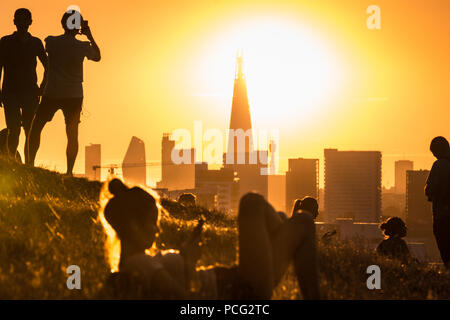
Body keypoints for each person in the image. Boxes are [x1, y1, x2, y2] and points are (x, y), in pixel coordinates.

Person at [100, 180, 320, 300]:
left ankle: (286, 233)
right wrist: (188, 261)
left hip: (237, 284)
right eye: (152, 222)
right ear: (133, 225)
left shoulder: (138, 263)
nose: (158, 229)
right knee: (255, 204)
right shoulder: (140, 263)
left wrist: (187, 256)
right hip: (238, 289)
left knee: (287, 221)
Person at [27, 10, 101, 175]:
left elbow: (51, 62)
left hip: (52, 91)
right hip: (74, 95)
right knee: (72, 133)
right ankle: (68, 172)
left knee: (36, 127)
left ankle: (30, 163)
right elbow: (98, 57)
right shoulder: (83, 46)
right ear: (78, 27)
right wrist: (89, 35)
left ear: (63, 24)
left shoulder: (51, 42)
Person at [0, 8, 48, 161]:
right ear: (14, 22)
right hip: (10, 93)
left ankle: (30, 163)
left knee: (31, 130)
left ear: (30, 22)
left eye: (25, 20)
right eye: (19, 20)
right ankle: (13, 161)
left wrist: (43, 87)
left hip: (30, 93)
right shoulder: (5, 42)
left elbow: (48, 66)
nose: (22, 23)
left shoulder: (36, 43)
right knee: (13, 130)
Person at [425, 136, 450, 268]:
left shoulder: (439, 165)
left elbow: (430, 189)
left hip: (442, 216)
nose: (434, 155)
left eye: (434, 152)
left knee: (446, 250)